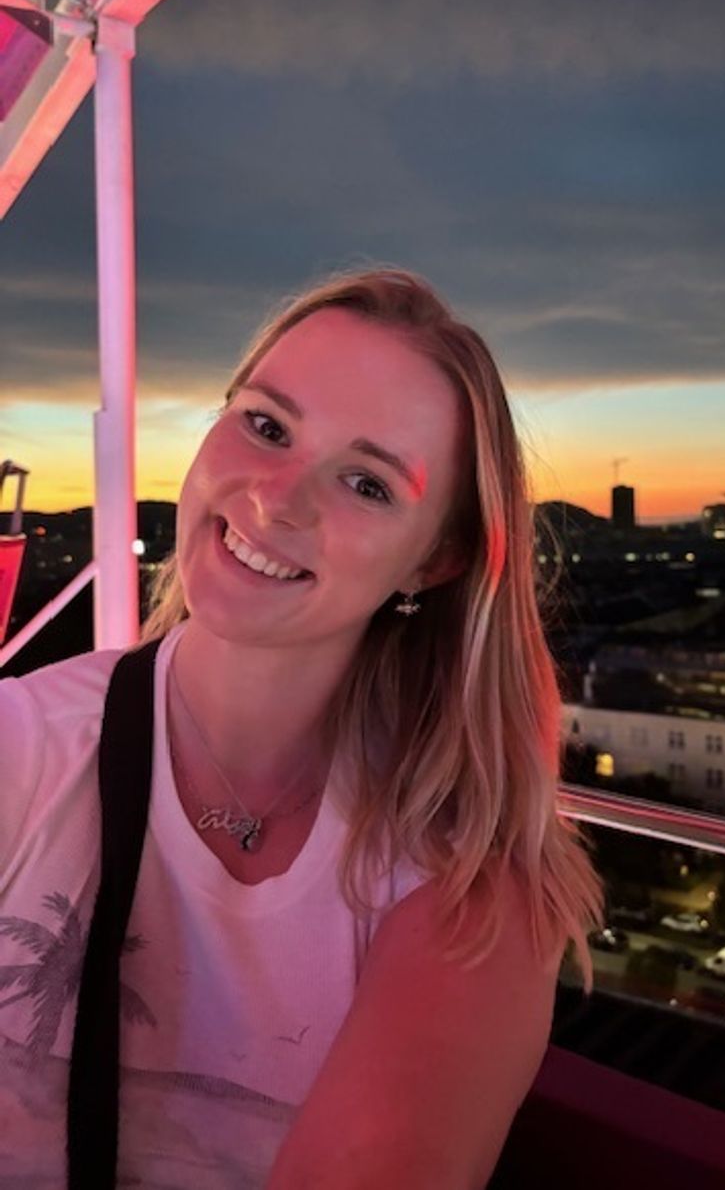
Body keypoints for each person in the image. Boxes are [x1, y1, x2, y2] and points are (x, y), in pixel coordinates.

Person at [0, 267, 604, 1188]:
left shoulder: (460, 872)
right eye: (266, 425)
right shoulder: (22, 746)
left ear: (435, 558)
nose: (277, 499)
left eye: (365, 483)